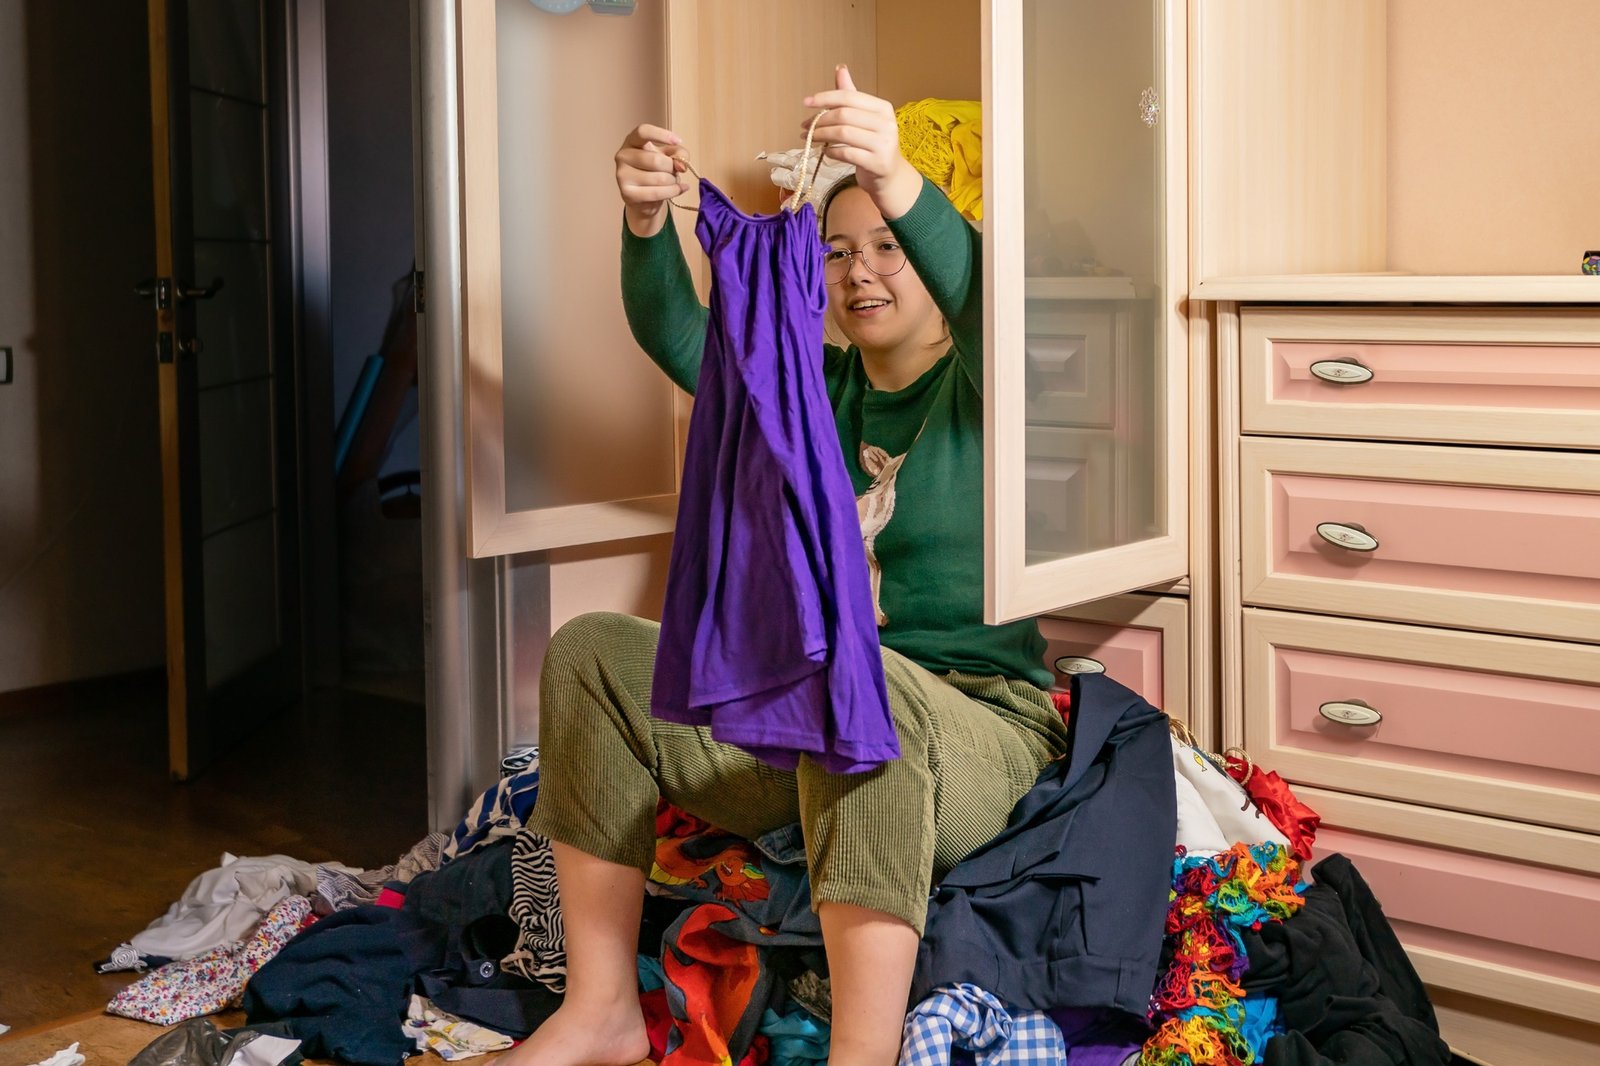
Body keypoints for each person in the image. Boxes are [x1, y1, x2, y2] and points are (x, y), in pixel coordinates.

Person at [508, 67, 1070, 1066]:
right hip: (804, 716)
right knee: (591, 648)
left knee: (867, 684)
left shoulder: (993, 383)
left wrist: (890, 168)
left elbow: (991, 300)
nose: (860, 273)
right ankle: (597, 1012)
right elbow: (686, 337)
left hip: (974, 722)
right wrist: (646, 223)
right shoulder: (812, 385)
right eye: (837, 251)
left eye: (889, 249)